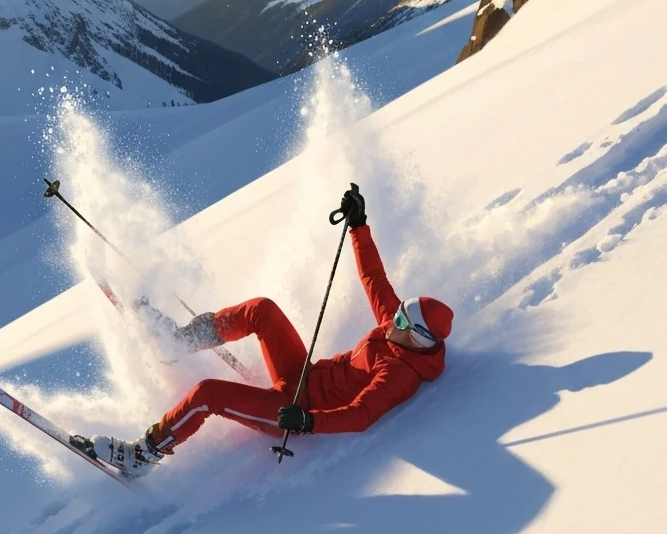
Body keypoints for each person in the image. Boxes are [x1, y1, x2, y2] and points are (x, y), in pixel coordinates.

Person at [72, 187, 453, 476]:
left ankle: (144, 453)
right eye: (399, 313)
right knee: (263, 310)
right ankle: (180, 342)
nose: (393, 319)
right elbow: (375, 279)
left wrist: (308, 422)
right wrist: (358, 225)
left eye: (403, 322)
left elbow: (361, 414)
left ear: (419, 339)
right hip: (300, 375)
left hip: (293, 413)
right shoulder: (394, 328)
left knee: (209, 393)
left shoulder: (400, 375)